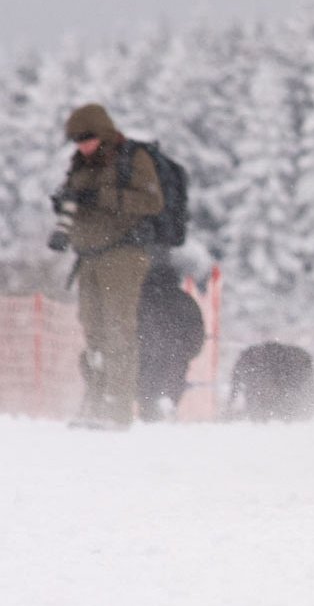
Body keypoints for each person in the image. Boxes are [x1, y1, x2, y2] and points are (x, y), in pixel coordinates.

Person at [53, 104, 164, 429]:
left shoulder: (131, 158)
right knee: (93, 330)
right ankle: (95, 401)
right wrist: (65, 207)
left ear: (102, 133)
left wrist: (101, 198)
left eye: (87, 138)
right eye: (77, 140)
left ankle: (117, 408)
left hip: (123, 254)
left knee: (118, 328)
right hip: (88, 255)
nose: (82, 145)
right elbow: (74, 199)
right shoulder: (79, 164)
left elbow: (152, 201)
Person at [136, 262, 205, 422]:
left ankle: (149, 414)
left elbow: (129, 327)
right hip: (175, 359)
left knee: (146, 393)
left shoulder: (140, 298)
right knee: (170, 389)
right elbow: (197, 332)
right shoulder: (185, 300)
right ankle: (167, 411)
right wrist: (185, 353)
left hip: (144, 358)